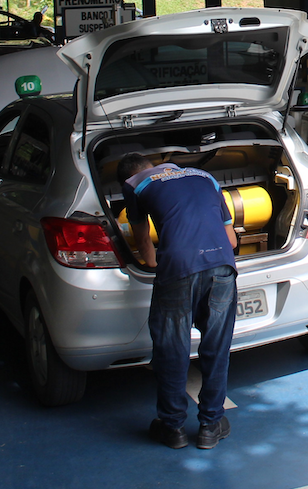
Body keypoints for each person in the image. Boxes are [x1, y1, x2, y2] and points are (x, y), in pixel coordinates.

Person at [117, 152, 238, 450]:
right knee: (216, 346)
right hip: (222, 265)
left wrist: (160, 265)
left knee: (173, 348)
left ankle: (173, 428)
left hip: (179, 268)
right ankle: (211, 425)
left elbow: (145, 246)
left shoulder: (134, 185)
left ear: (128, 176)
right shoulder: (204, 176)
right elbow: (232, 240)